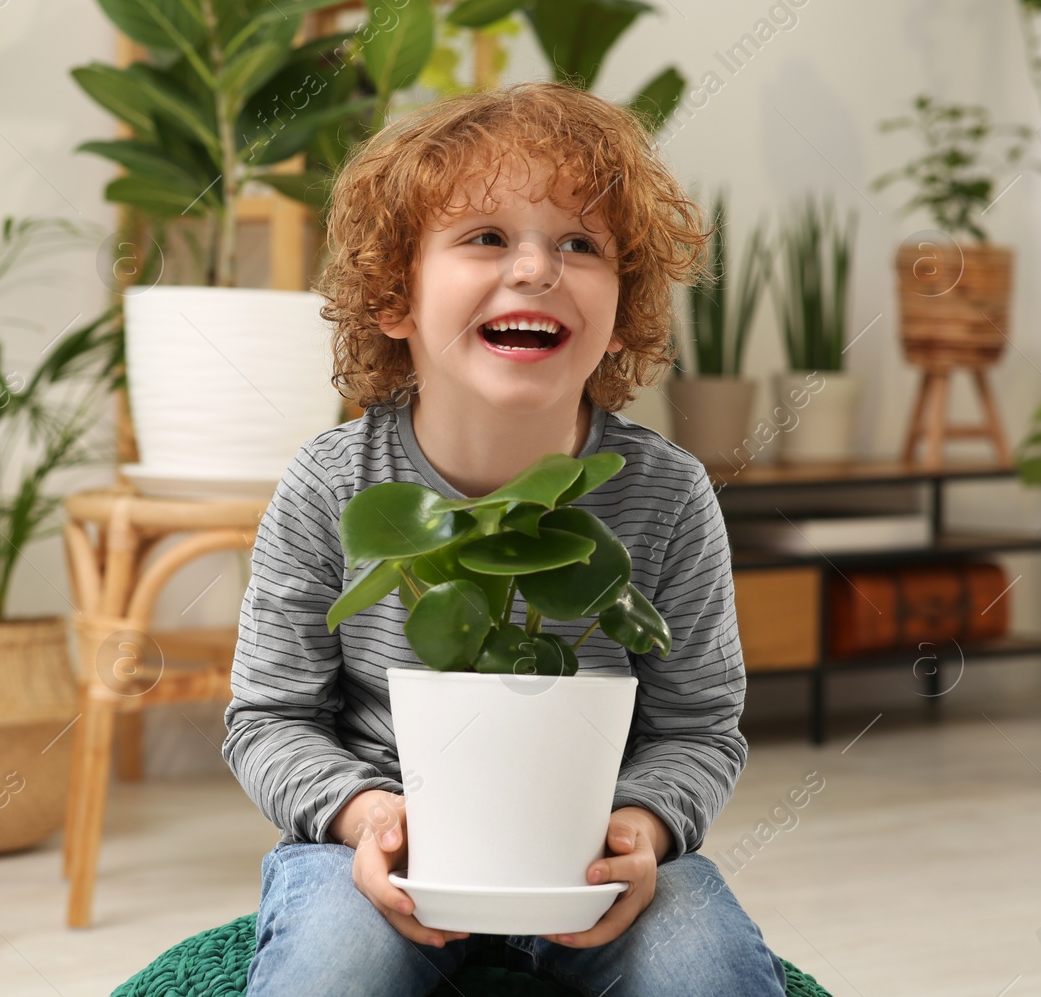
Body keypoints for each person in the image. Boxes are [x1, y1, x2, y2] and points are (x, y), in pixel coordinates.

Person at [221, 81, 787, 997]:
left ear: (622, 304)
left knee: (704, 967)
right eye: (486, 236)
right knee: (332, 967)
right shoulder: (329, 483)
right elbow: (269, 719)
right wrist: (368, 819)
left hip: (590, 853)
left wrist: (642, 827)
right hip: (381, 858)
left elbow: (699, 729)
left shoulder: (670, 494)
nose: (536, 270)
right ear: (394, 296)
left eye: (580, 243)